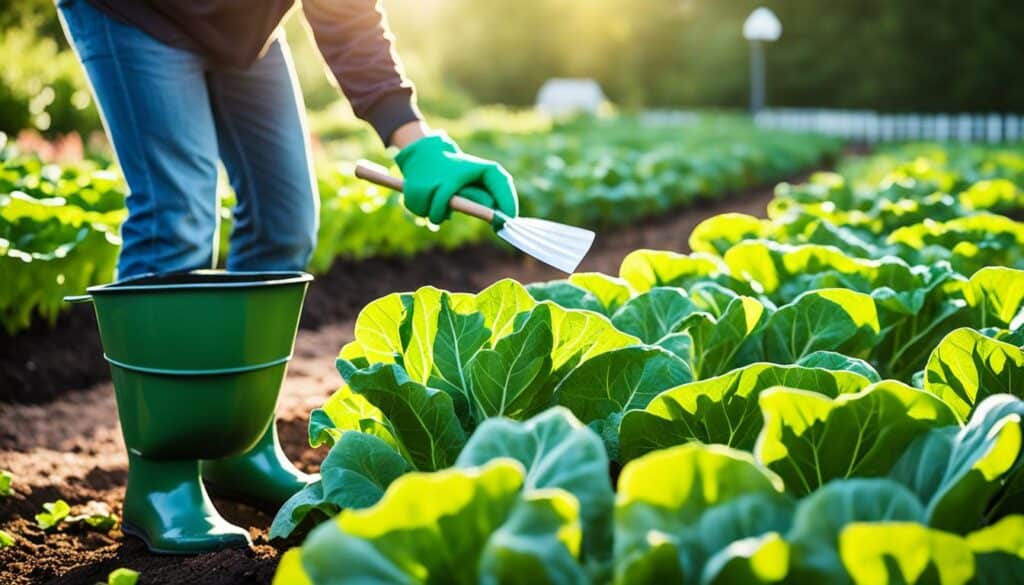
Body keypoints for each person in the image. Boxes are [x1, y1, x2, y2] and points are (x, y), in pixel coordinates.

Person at [56, 0, 519, 552]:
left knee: (285, 219)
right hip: (138, 12)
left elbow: (344, 10)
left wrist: (415, 143)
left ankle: (241, 449)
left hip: (242, 27)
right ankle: (163, 479)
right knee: (174, 215)